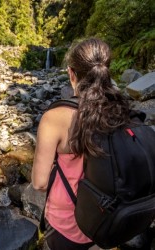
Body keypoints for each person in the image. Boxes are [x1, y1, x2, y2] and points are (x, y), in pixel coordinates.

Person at [31, 38, 131, 250]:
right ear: (106, 71)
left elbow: (39, 183)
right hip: (110, 214)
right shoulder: (121, 110)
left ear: (71, 73)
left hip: (69, 220)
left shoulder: (55, 118)